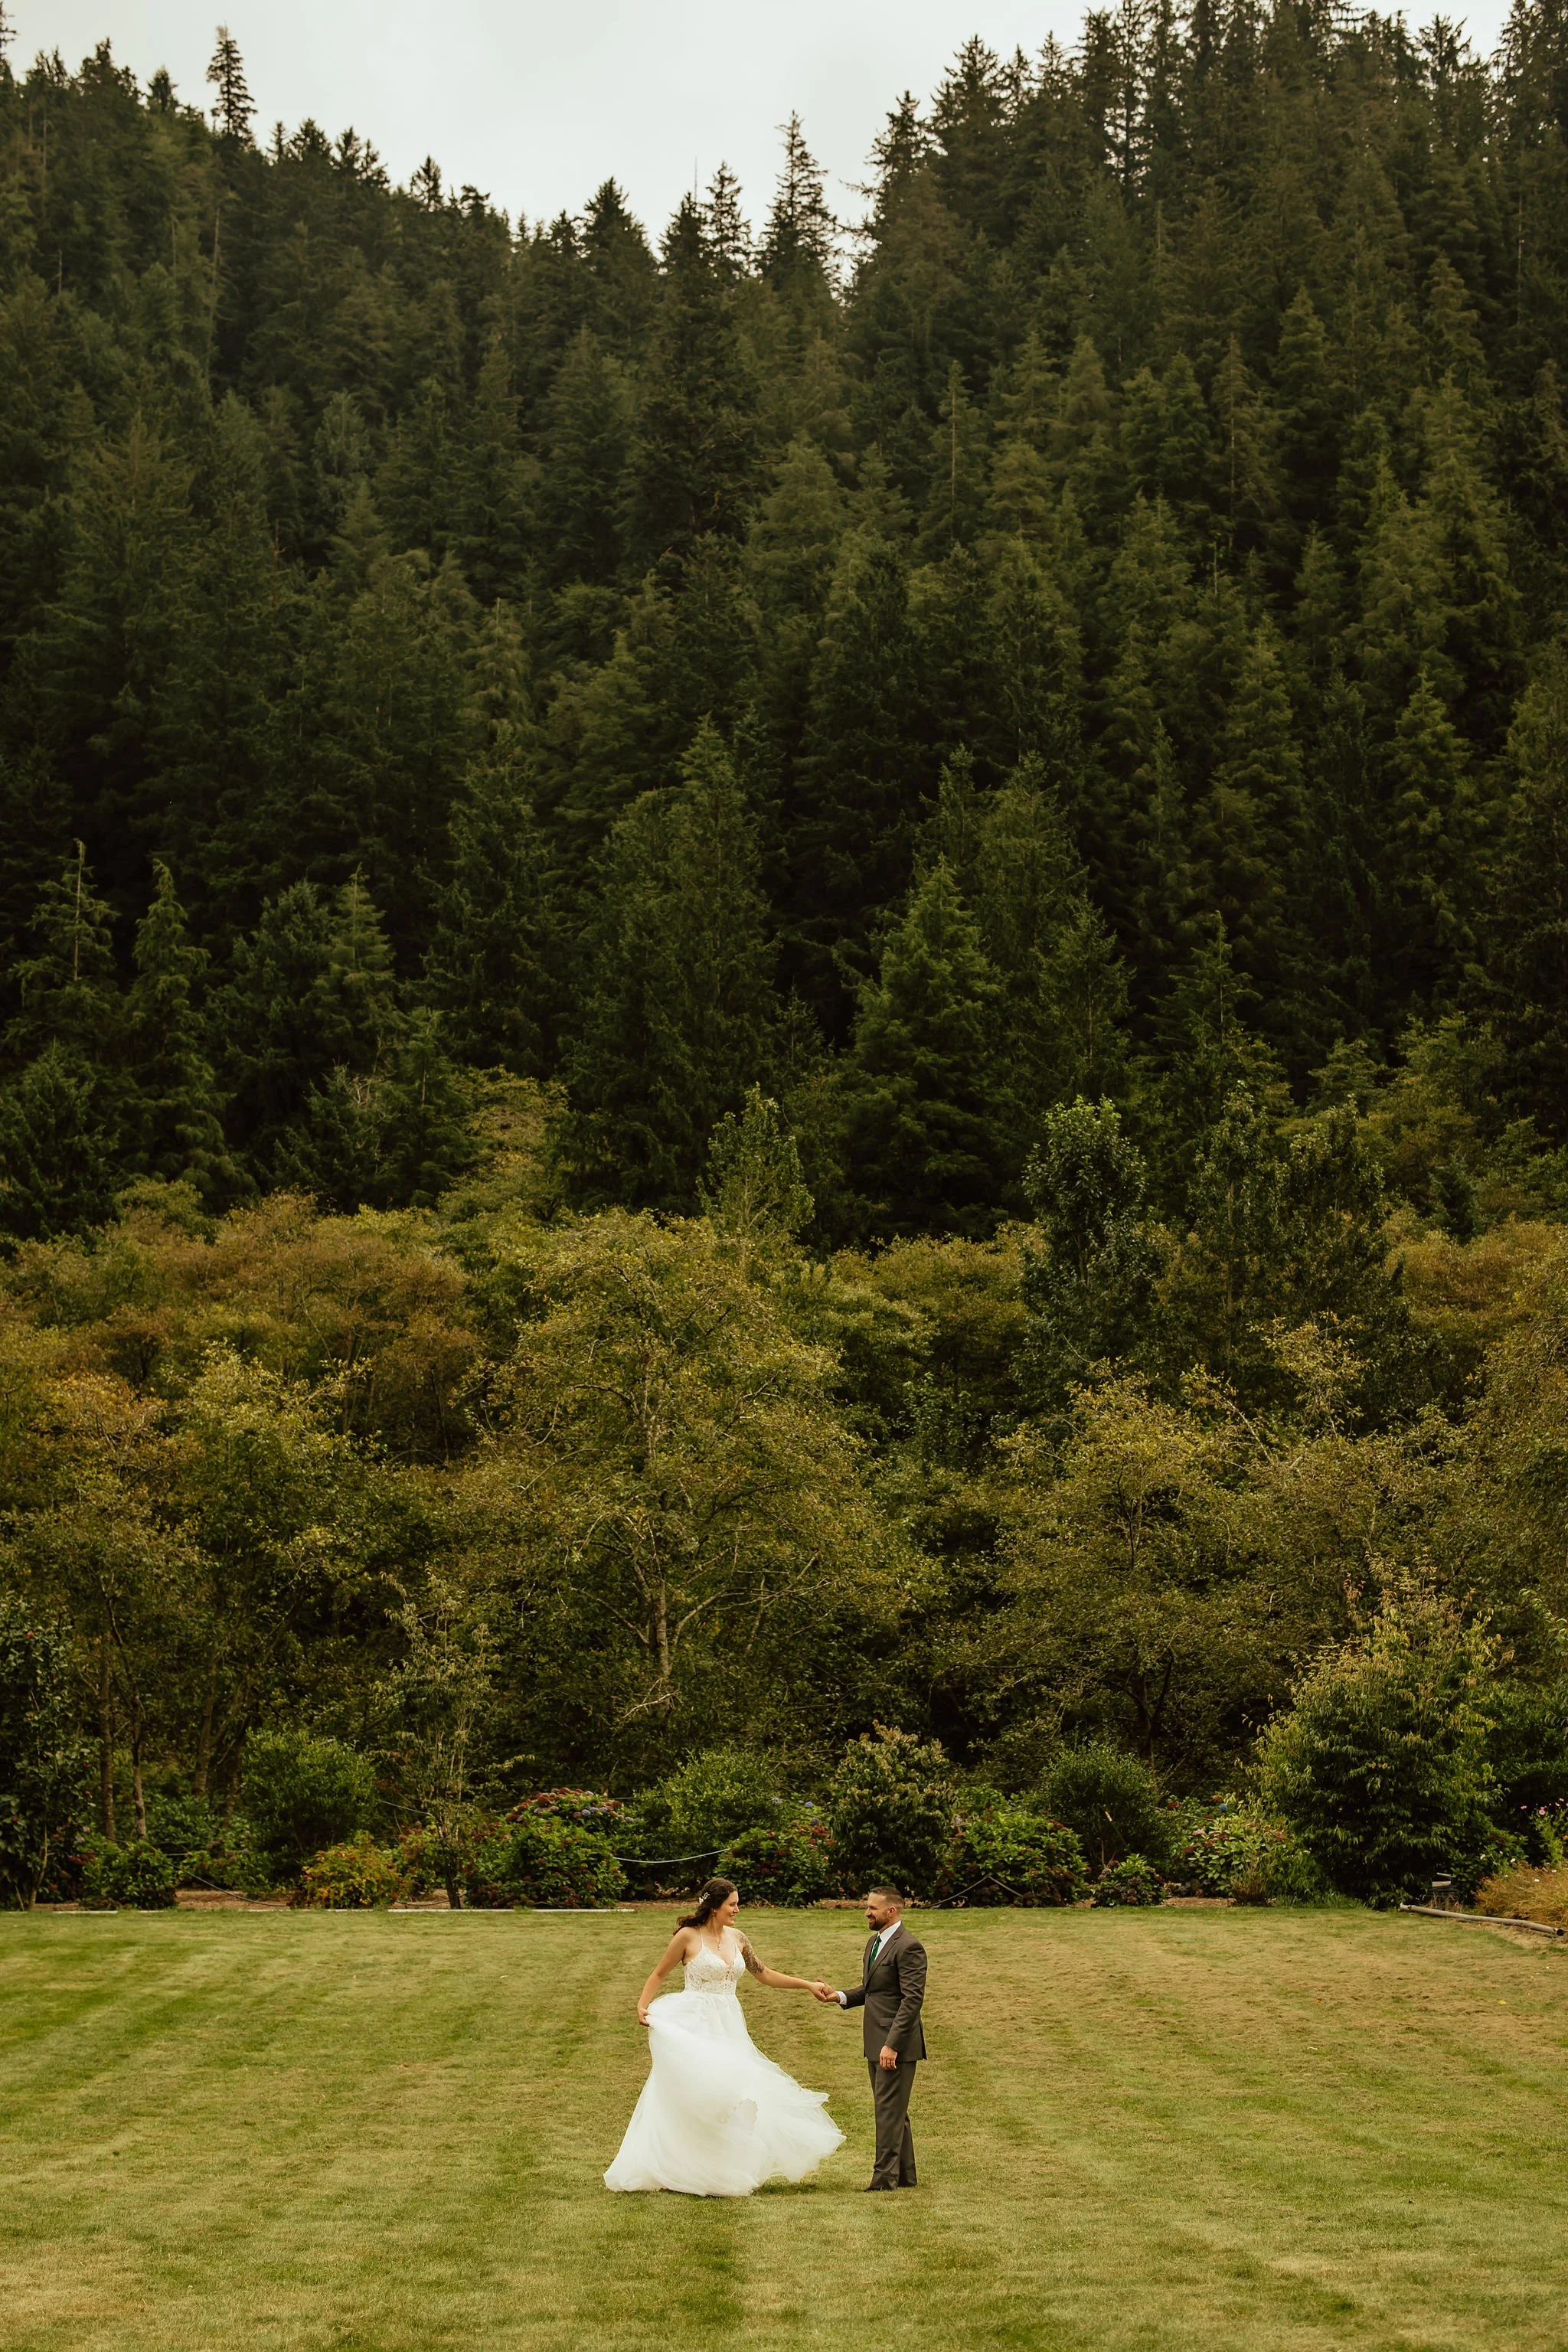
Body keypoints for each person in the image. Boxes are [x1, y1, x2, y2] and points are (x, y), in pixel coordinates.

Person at [604, 1876, 845, 2195]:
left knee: (734, 2095)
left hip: (729, 2023)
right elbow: (660, 1972)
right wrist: (642, 2004)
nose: (737, 1910)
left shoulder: (738, 1938)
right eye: (732, 1904)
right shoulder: (687, 1937)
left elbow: (765, 1974)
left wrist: (807, 1985)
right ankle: (679, 2165)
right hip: (695, 2022)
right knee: (701, 2094)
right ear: (715, 1906)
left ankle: (720, 2167)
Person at [814, 1883, 927, 2190]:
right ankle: (905, 2176)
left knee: (888, 2113)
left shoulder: (909, 1947)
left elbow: (911, 2000)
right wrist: (837, 1996)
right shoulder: (875, 1942)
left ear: (891, 1911)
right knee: (893, 2111)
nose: (866, 1912)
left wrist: (892, 2044)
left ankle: (883, 2181)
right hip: (876, 2041)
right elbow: (872, 1991)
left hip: (894, 2044)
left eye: (872, 1908)